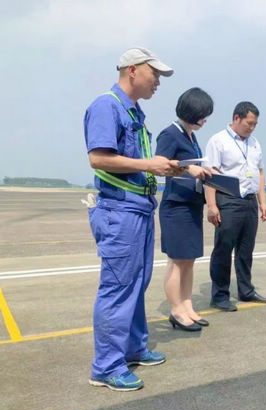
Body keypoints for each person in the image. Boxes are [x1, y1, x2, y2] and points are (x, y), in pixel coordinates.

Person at [84, 47, 181, 391]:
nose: (158, 82)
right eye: (155, 75)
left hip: (139, 210)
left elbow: (140, 165)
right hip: (118, 212)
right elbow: (98, 158)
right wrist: (149, 164)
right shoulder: (106, 106)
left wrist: (183, 168)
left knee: (136, 285)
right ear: (134, 70)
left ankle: (132, 348)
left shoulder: (134, 112)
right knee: (117, 288)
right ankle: (106, 367)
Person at [155, 88, 215, 332]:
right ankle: (176, 309)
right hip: (176, 206)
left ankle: (187, 304)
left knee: (189, 261)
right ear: (193, 113)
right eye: (203, 114)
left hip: (191, 205)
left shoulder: (190, 136)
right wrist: (188, 169)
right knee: (177, 262)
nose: (205, 119)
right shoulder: (170, 134)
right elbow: (159, 165)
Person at [204, 102, 266, 312]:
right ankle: (220, 294)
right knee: (223, 249)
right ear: (236, 118)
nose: (252, 128)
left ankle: (246, 290)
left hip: (249, 201)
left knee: (246, 250)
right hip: (228, 199)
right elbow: (210, 174)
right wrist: (212, 205)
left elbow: (259, 173)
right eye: (249, 123)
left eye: (255, 124)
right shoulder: (218, 141)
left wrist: (263, 202)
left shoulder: (255, 143)